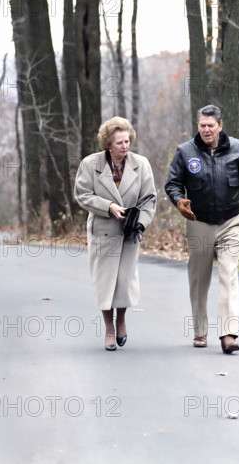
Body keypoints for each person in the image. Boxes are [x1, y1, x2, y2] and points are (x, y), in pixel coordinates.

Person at [165, 104, 239, 354]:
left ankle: (228, 334)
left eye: (211, 125)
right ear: (198, 127)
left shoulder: (236, 148)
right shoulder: (185, 151)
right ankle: (200, 330)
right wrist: (179, 201)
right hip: (199, 222)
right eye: (202, 125)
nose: (206, 129)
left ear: (220, 126)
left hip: (230, 221)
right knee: (199, 280)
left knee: (229, 275)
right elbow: (173, 183)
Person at [74, 117, 156, 351]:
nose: (125, 145)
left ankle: (121, 320)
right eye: (119, 142)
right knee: (105, 282)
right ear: (108, 144)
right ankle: (109, 328)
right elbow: (82, 195)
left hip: (130, 231)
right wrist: (108, 206)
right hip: (103, 231)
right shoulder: (91, 164)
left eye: (127, 140)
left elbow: (149, 198)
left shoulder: (141, 164)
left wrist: (140, 223)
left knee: (124, 281)